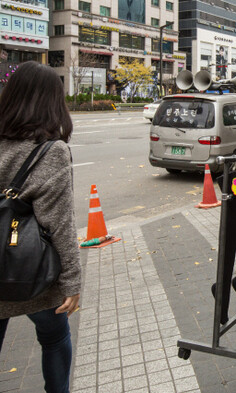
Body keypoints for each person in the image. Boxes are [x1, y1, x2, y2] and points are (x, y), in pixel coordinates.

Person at [0, 61, 81, 392]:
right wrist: (72, 282)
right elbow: (59, 224)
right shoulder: (52, 152)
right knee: (55, 337)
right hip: (33, 273)